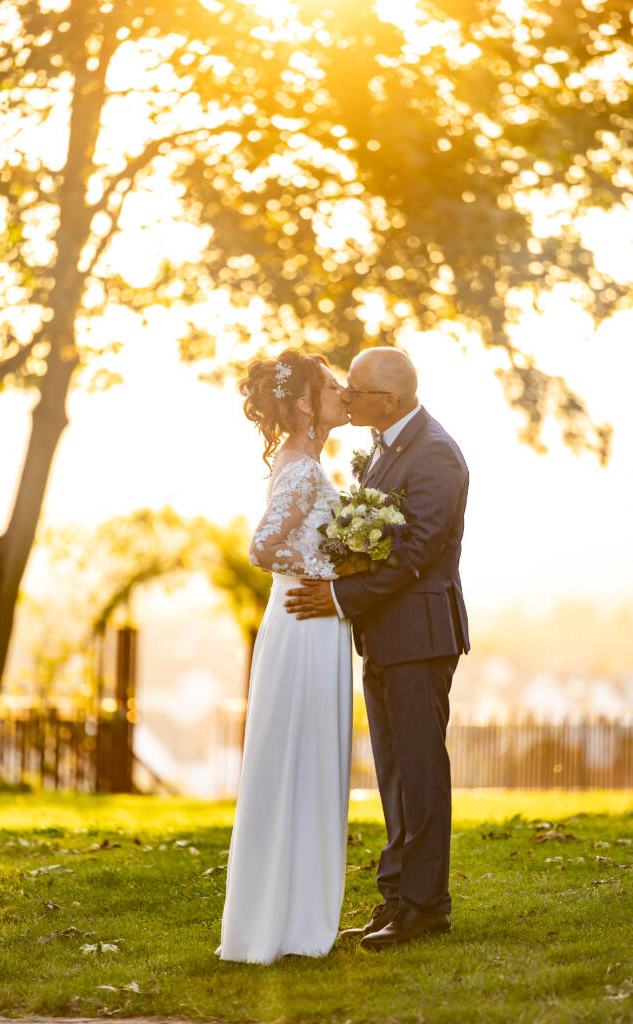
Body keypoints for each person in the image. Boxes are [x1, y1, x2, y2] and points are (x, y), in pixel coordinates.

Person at [285, 347, 470, 950]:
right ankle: (395, 898)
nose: (346, 396)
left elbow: (415, 552)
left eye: (355, 391)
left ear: (386, 402)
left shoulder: (435, 453)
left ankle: (425, 907)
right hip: (387, 637)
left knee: (420, 772)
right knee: (394, 773)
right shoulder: (388, 447)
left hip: (419, 637)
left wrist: (339, 597)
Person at [217, 348, 354, 964]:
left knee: (309, 757)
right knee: (297, 755)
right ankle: (286, 920)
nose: (342, 391)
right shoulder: (299, 470)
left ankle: (294, 912)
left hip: (315, 621)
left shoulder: (308, 463)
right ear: (303, 403)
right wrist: (335, 571)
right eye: (330, 386)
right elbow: (263, 547)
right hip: (305, 620)